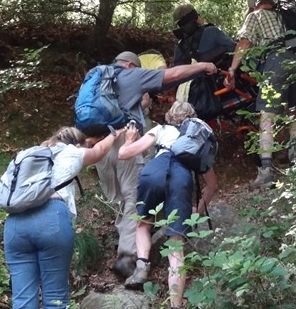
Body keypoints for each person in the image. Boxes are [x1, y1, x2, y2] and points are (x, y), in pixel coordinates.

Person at [90, 51, 218, 278]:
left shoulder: (98, 79)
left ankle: (127, 244)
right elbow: (173, 74)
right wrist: (202, 66)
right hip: (125, 139)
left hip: (101, 144)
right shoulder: (131, 75)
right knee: (132, 197)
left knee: (121, 198)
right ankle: (128, 259)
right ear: (131, 65)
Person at [4, 125, 123, 309]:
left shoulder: (27, 155)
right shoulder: (71, 152)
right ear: (78, 143)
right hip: (51, 220)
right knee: (55, 302)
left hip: (15, 224)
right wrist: (115, 134)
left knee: (22, 305)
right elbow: (99, 152)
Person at [226, 0, 296, 189]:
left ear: (257, 5)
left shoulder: (256, 15)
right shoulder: (287, 16)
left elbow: (245, 42)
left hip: (277, 62)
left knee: (267, 116)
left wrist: (232, 69)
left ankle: (266, 173)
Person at [117, 101, 218, 309]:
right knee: (176, 245)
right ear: (192, 119)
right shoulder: (195, 141)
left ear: (169, 116)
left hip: (153, 171)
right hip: (182, 178)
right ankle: (176, 307)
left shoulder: (160, 129)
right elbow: (212, 185)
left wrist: (129, 140)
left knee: (144, 224)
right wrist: (197, 212)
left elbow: (124, 154)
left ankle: (142, 267)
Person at [172, 3, 236, 69]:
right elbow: (234, 49)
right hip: (228, 73)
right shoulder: (211, 31)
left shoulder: (181, 47)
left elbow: (177, 70)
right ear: (196, 17)